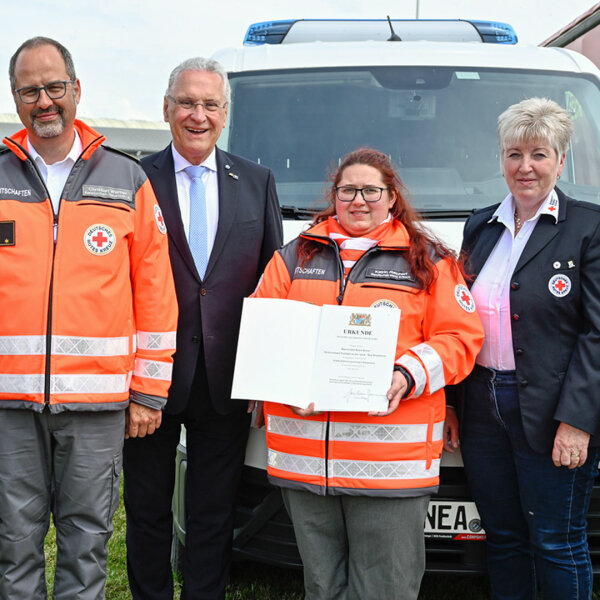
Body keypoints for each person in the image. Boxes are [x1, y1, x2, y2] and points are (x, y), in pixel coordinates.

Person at [252, 147, 484, 600]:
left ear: (392, 197)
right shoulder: (293, 256)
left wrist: (407, 373)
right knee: (322, 585)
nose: (359, 200)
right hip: (304, 457)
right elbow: (265, 330)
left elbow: (461, 339)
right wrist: (276, 381)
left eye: (371, 191)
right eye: (347, 190)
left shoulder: (430, 261)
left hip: (387, 466)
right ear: (334, 195)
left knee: (385, 588)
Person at [0, 37, 178, 600]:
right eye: (31, 90)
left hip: (99, 405)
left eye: (55, 87)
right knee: (12, 542)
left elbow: (155, 291)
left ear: (76, 90)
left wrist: (149, 391)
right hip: (7, 403)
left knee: (87, 543)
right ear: (15, 97)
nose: (44, 101)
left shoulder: (127, 181)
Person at [122, 57, 283, 600]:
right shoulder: (133, 178)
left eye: (210, 104)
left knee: (212, 514)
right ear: (166, 109)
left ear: (225, 113)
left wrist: (263, 379)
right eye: (187, 103)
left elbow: (272, 286)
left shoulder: (257, 181)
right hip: (150, 380)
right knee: (146, 512)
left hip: (226, 380)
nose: (198, 115)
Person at [449, 97, 600, 600]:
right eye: (514, 154)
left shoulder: (588, 227)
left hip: (551, 410)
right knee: (507, 538)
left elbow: (596, 334)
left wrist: (577, 421)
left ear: (561, 160)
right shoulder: (480, 225)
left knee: (556, 540)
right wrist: (453, 404)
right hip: (483, 406)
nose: (525, 166)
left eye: (539, 154)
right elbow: (457, 319)